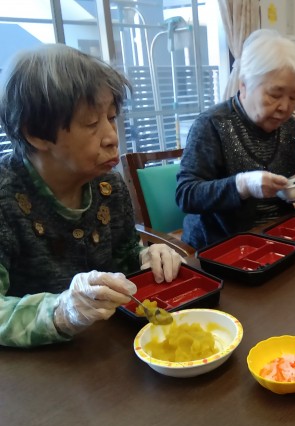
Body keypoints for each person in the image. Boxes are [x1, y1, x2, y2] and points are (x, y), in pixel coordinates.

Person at [0, 44, 183, 348]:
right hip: (36, 368)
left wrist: (145, 256)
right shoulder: (5, 196)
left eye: (111, 118)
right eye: (91, 123)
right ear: (35, 133)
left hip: (107, 351)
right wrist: (61, 312)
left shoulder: (108, 186)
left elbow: (123, 255)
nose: (112, 137)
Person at [176, 29, 295, 249]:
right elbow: (186, 195)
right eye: (275, 94)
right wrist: (242, 185)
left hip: (279, 235)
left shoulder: (286, 124)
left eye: (294, 97)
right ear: (244, 85)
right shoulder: (212, 124)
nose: (285, 107)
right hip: (222, 245)